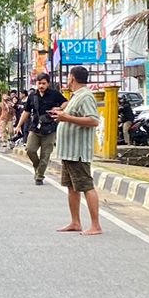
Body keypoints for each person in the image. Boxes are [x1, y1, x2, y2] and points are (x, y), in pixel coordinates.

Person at [50, 65, 103, 236]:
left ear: (72, 78)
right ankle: (75, 222)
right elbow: (74, 116)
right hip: (68, 151)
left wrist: (66, 117)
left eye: (68, 77)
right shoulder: (75, 96)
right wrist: (62, 113)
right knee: (71, 187)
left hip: (78, 150)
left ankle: (95, 225)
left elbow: (94, 120)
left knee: (86, 185)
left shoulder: (86, 96)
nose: (67, 80)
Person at [18, 72, 65, 185]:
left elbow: (66, 102)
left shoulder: (54, 94)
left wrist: (59, 107)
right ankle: (37, 166)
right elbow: (26, 111)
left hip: (50, 129)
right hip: (35, 128)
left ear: (48, 83)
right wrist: (19, 125)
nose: (41, 86)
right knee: (30, 150)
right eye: (39, 83)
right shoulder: (32, 96)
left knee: (45, 154)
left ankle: (39, 176)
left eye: (43, 83)